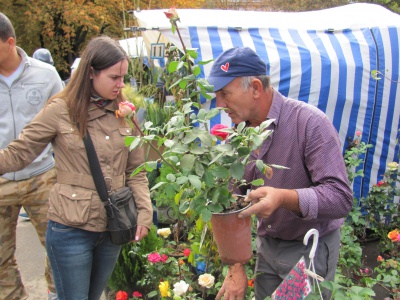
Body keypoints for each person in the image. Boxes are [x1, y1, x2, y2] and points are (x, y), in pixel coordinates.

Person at [0, 35, 153, 299]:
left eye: (123, 77)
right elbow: (20, 152)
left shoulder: (125, 113)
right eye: (114, 77)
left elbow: (135, 172)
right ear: (91, 73)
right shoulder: (61, 110)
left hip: (113, 226)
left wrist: (144, 211)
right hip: (70, 228)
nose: (121, 84)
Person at [207, 47, 353, 300]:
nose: (219, 104)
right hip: (266, 247)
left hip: (308, 250)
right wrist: (235, 266)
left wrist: (283, 197)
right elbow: (228, 200)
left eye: (225, 93)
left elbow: (340, 198)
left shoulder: (308, 124)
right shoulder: (239, 133)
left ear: (255, 87)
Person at [0, 12, 64, 300]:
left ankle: (54, 292)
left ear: (9, 42)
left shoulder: (45, 75)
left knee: (59, 244)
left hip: (42, 177)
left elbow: (66, 125)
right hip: (1, 180)